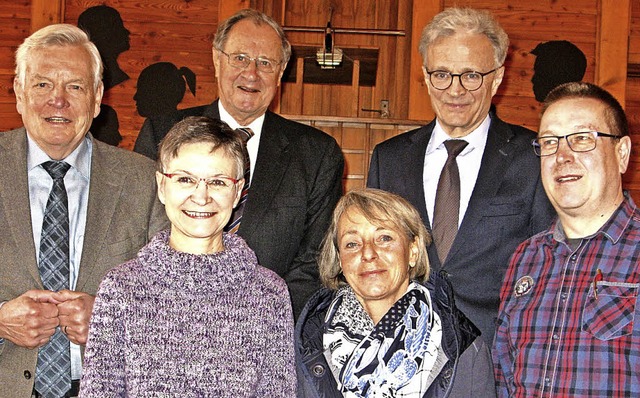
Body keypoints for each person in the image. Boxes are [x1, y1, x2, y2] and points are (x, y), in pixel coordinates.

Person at [133, 8, 344, 318]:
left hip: (268, 329)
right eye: (240, 58)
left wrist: (253, 317)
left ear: (281, 70)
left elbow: (316, 260)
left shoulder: (317, 154)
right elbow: (142, 232)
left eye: (265, 63)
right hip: (168, 318)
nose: (251, 73)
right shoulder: (162, 133)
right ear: (217, 60)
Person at [367, 7, 555, 345]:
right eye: (441, 74)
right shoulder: (388, 159)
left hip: (495, 355)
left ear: (497, 77)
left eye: (471, 75)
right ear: (425, 76)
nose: (455, 90)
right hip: (403, 355)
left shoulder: (534, 156)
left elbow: (548, 268)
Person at [0, 24, 168, 398]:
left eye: (74, 86)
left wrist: (113, 320)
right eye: (42, 84)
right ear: (18, 93)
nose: (57, 100)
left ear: (96, 99)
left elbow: (172, 299)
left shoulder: (145, 181)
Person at [80, 116, 296, 396]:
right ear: (161, 186)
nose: (201, 196)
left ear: (238, 192)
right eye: (185, 179)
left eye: (217, 182)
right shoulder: (121, 288)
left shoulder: (269, 293)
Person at [493, 82, 639, 397]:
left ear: (621, 153)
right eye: (549, 142)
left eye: (582, 139)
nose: (562, 156)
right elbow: (503, 376)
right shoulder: (526, 257)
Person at [296, 189, 496, 397]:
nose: (368, 253)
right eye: (352, 244)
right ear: (339, 260)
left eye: (384, 238)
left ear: (413, 251)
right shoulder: (308, 340)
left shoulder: (465, 347)